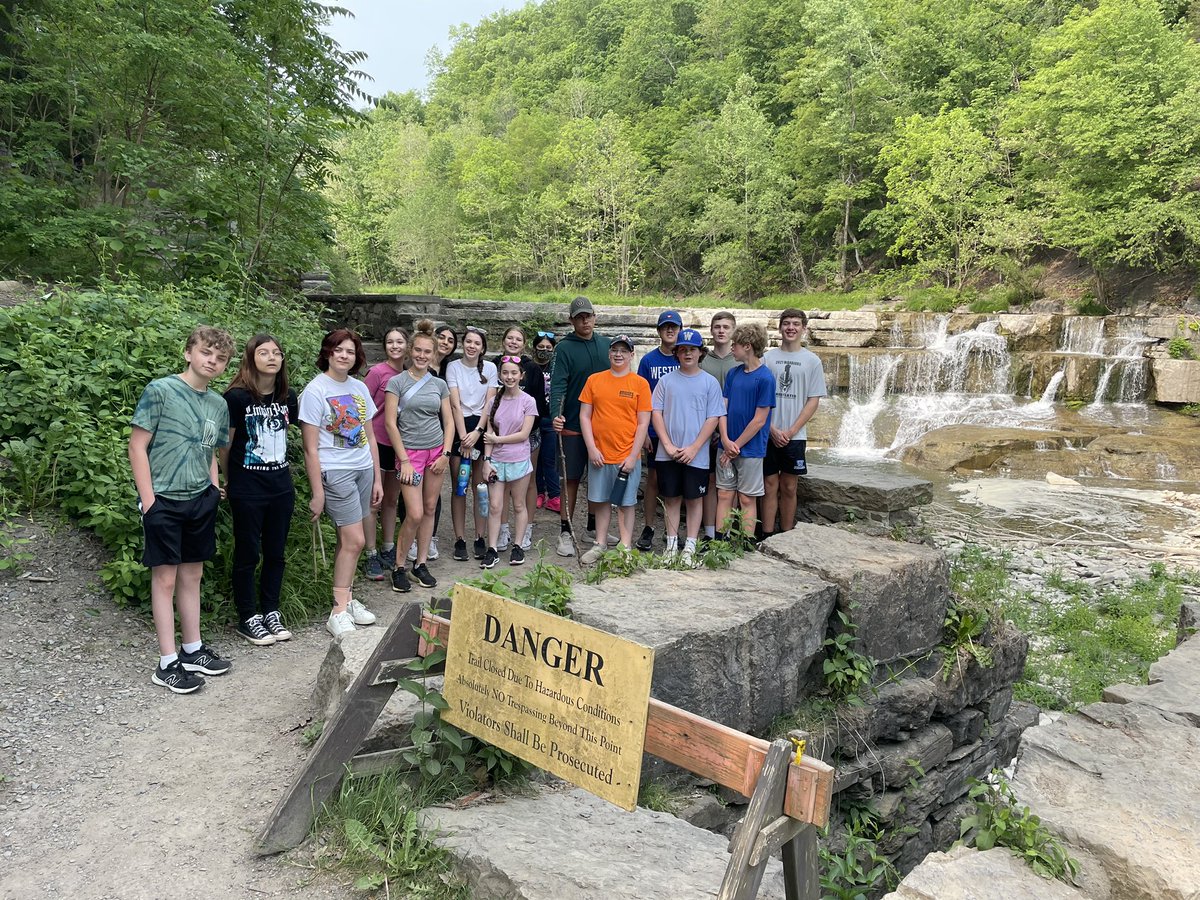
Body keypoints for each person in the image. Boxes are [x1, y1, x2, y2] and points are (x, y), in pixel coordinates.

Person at [129, 325, 235, 694]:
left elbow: (210, 450)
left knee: (193, 576)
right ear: (189, 352)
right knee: (166, 579)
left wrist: (212, 488)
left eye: (221, 359)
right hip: (164, 500)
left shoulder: (218, 404)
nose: (213, 362)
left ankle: (192, 649)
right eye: (207, 353)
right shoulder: (161, 390)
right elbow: (137, 446)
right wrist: (149, 500)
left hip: (199, 501)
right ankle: (167, 662)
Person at [299, 329, 382, 639]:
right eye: (338, 350)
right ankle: (337, 611)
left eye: (350, 350)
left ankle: (345, 601)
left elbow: (370, 436)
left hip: (362, 469)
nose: (344, 355)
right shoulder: (315, 391)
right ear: (328, 353)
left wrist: (376, 477)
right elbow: (310, 448)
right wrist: (317, 492)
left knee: (348, 541)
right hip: (335, 473)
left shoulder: (359, 387)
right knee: (356, 540)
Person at [220, 334, 299, 647]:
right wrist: (230, 481)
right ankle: (248, 615)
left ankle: (270, 610)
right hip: (247, 489)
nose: (271, 357)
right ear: (251, 358)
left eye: (277, 353)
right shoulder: (237, 398)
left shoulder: (287, 397)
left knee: (276, 553)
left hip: (280, 487)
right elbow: (225, 446)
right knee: (248, 553)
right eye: (264, 352)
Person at [385, 320, 454, 592]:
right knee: (413, 513)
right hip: (409, 453)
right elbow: (391, 423)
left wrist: (446, 453)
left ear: (433, 353)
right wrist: (403, 459)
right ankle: (399, 566)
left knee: (429, 509)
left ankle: (421, 563)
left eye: (428, 352)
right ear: (410, 351)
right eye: (418, 351)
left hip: (436, 451)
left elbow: (448, 422)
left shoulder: (439, 384)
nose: (422, 356)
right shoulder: (397, 382)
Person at [651, 328, 724, 567]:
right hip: (667, 453)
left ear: (700, 353)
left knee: (694, 500)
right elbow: (656, 413)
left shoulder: (709, 382)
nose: (687, 354)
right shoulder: (666, 381)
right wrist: (668, 444)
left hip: (698, 455)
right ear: (677, 353)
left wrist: (694, 447)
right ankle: (672, 545)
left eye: (692, 350)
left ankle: (690, 546)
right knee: (671, 498)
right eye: (683, 350)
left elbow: (713, 418)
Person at [578, 334, 652, 564]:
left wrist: (633, 456)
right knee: (600, 501)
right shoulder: (594, 380)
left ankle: (625, 545)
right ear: (609, 353)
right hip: (600, 454)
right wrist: (591, 448)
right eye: (615, 350)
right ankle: (600, 543)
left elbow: (643, 422)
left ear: (631, 355)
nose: (618, 354)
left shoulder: (640, 384)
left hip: (626, 457)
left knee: (626, 503)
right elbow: (585, 415)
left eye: (624, 351)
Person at [550, 296, 612, 557]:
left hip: (603, 425)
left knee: (599, 478)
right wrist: (556, 414)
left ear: (595, 316)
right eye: (579, 317)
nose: (585, 320)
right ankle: (565, 530)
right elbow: (558, 384)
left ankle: (591, 527)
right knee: (571, 479)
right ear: (571, 320)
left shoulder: (608, 345)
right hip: (573, 423)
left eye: (588, 315)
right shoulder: (564, 348)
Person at [761, 308, 826, 539]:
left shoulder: (812, 361)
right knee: (769, 485)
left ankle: (786, 534)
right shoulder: (767, 358)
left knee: (789, 486)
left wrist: (791, 430)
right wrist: (771, 429)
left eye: (796, 324)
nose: (791, 327)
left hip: (794, 435)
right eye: (786, 323)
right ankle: (766, 534)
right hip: (768, 433)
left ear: (804, 328)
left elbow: (813, 400)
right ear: (780, 328)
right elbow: (759, 397)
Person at [716, 323, 775, 544]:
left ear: (748, 347)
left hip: (749, 449)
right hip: (726, 445)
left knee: (746, 497)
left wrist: (734, 447)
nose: (732, 349)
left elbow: (760, 420)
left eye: (736, 345)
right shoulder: (733, 374)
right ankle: (720, 540)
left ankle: (747, 542)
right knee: (724, 493)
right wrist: (724, 439)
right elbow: (722, 408)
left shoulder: (766, 378)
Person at [480, 356, 538, 568]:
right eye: (505, 373)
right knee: (495, 506)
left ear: (521, 375)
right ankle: (493, 548)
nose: (509, 377)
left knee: (519, 503)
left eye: (514, 373)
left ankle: (518, 545)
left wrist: (498, 440)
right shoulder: (493, 401)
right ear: (499, 375)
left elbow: (524, 434)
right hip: (496, 460)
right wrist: (486, 460)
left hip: (519, 459)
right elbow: (488, 432)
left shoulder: (528, 401)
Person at [446, 326, 498, 561]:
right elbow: (455, 404)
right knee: (460, 485)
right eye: (468, 341)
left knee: (480, 486)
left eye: (476, 343)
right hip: (460, 428)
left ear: (482, 347)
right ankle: (459, 539)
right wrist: (463, 437)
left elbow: (490, 403)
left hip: (480, 426)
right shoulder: (453, 367)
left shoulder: (490, 368)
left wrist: (477, 432)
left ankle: (479, 536)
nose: (471, 346)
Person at [490, 326, 544, 554]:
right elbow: (489, 417)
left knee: (525, 486)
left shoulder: (533, 370)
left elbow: (539, 403)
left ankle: (524, 531)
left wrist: (500, 438)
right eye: (509, 337)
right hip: (500, 441)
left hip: (526, 435)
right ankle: (502, 530)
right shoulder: (494, 366)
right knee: (499, 495)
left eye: (518, 339)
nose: (513, 341)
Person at [362, 327, 408, 580]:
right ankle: (370, 553)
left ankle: (388, 547)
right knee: (374, 501)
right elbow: (362, 407)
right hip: (377, 441)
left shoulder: (411, 374)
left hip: (400, 444)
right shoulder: (377, 373)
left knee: (392, 499)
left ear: (407, 345)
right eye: (390, 341)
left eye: (399, 341)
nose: (395, 346)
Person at [635, 310, 682, 551]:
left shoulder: (684, 357)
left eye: (674, 327)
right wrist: (643, 434)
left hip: (681, 432)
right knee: (653, 478)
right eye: (666, 327)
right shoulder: (649, 361)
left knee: (676, 482)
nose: (670, 330)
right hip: (654, 432)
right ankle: (649, 526)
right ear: (659, 331)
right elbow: (640, 398)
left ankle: (671, 531)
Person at [700, 311, 737, 541]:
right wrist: (711, 431)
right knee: (711, 482)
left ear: (734, 331)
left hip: (735, 434)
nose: (721, 331)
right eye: (717, 327)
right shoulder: (703, 361)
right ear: (711, 330)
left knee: (732, 484)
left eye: (726, 327)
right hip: (707, 432)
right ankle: (710, 532)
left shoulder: (741, 359)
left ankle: (732, 530)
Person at [531, 332, 561, 513]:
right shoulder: (529, 367)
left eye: (548, 348)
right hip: (532, 419)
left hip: (550, 419)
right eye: (541, 347)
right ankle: (538, 492)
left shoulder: (556, 368)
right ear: (534, 348)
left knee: (550, 459)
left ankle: (555, 495)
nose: (544, 351)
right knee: (535, 460)